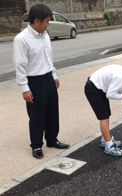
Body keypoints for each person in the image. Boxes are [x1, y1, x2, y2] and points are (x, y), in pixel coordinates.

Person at [13, 4, 69, 159]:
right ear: (36, 21)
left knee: (52, 111)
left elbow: (48, 57)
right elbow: (20, 65)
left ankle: (52, 139)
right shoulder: (22, 39)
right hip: (34, 81)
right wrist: (25, 88)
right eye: (46, 21)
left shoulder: (44, 34)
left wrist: (54, 75)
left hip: (48, 78)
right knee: (37, 115)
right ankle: (36, 145)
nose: (48, 24)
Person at [84, 64, 122, 156]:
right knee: (104, 118)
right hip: (94, 90)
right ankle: (109, 146)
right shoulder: (121, 77)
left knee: (106, 115)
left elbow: (114, 86)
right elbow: (110, 94)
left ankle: (105, 140)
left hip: (97, 87)